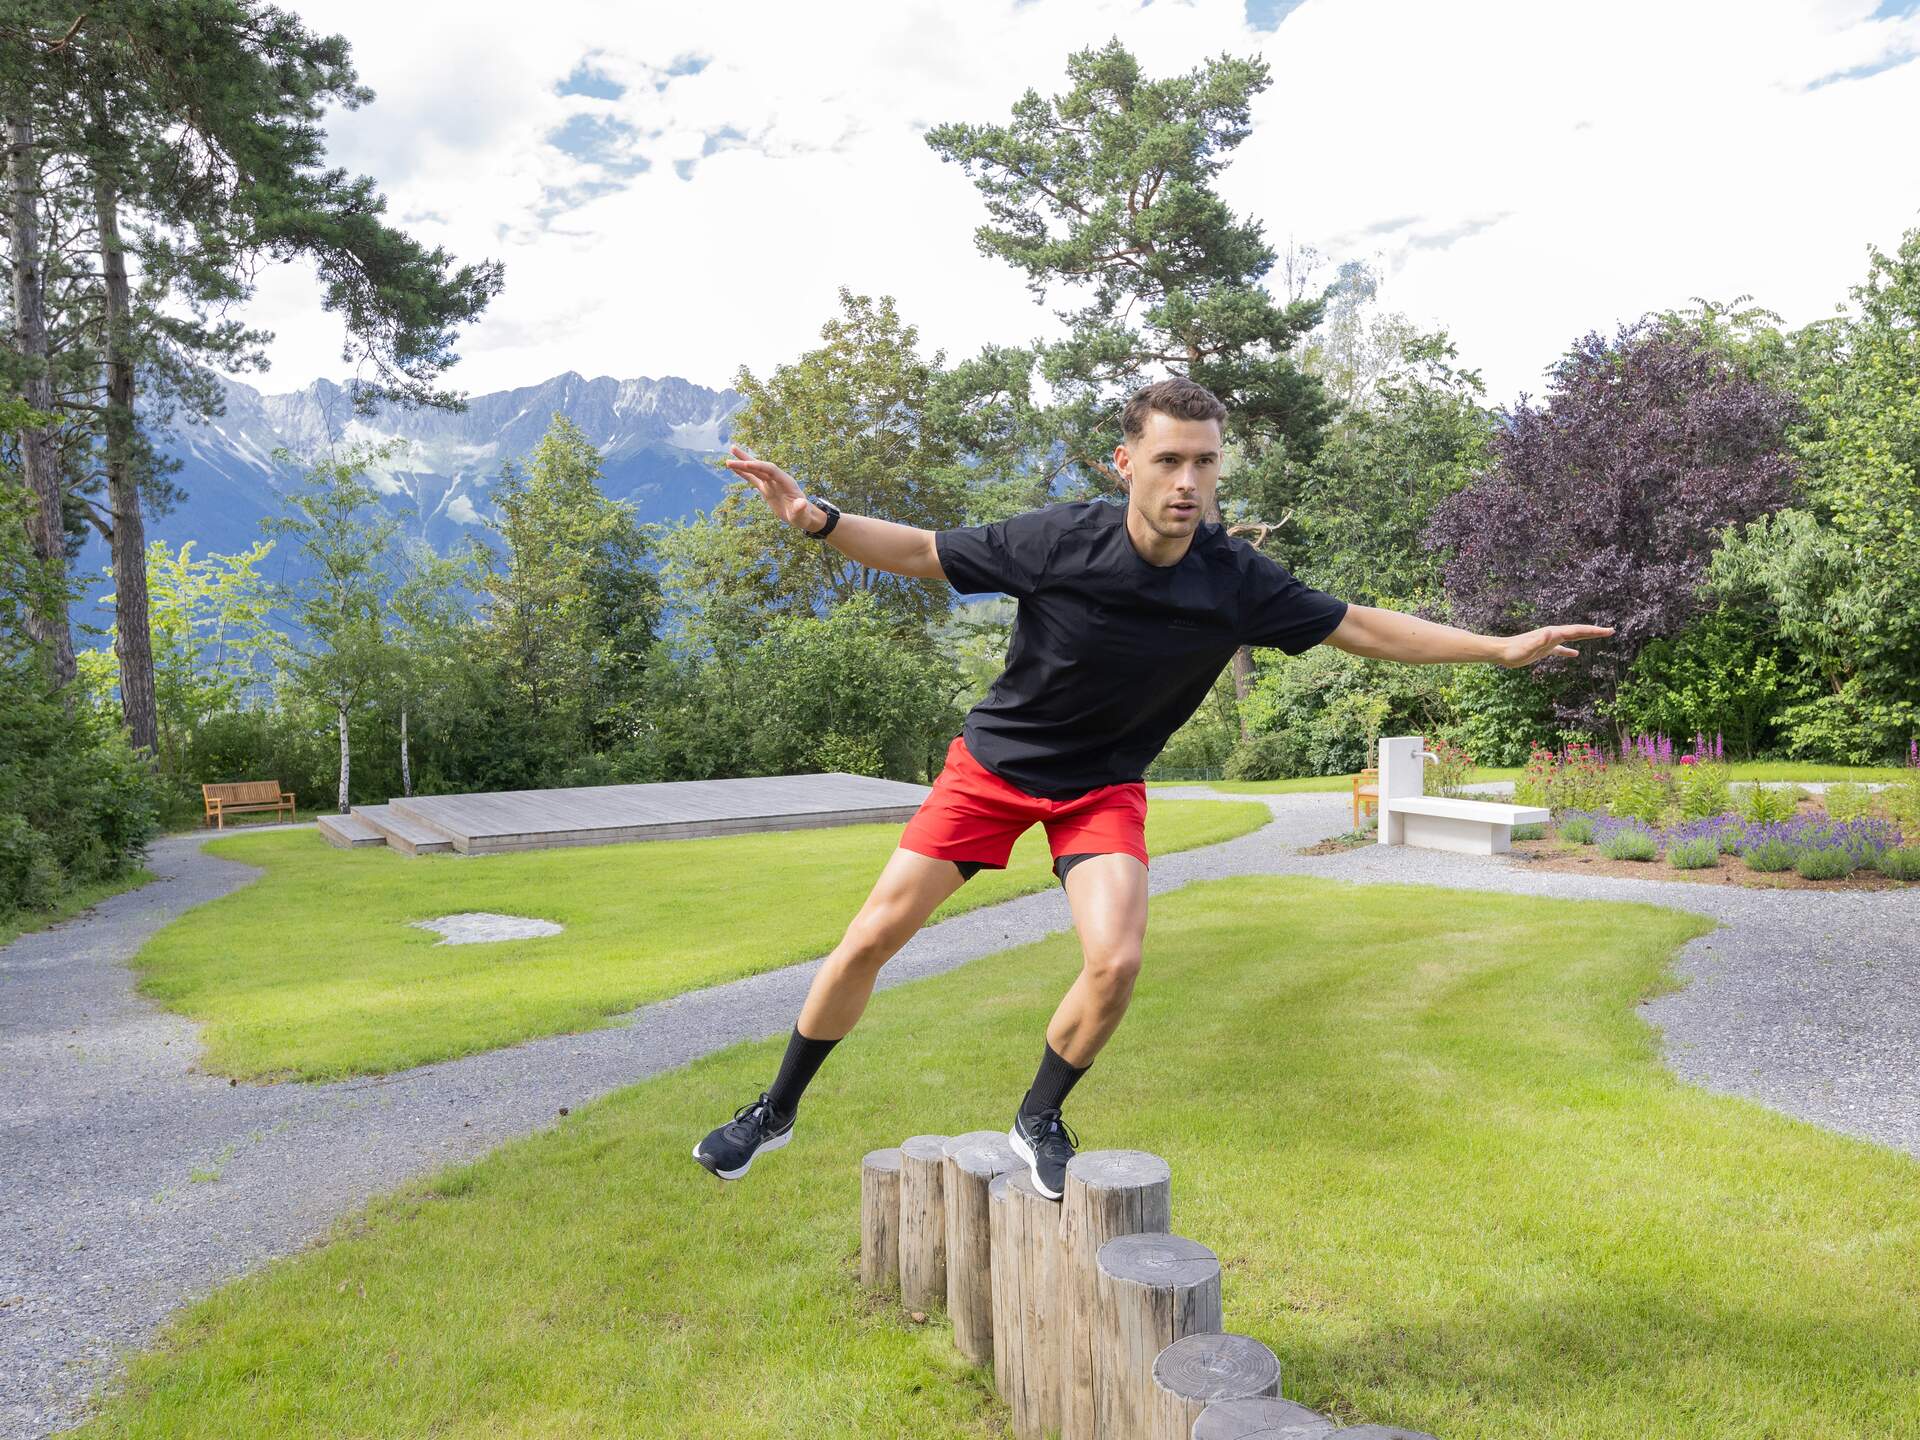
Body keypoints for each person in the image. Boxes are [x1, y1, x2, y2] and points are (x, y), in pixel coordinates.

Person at [693, 376, 1612, 1198]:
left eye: (1204, 463)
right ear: (1126, 462)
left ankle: (1038, 1117)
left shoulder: (1235, 580)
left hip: (1101, 789)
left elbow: (1361, 627)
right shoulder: (1060, 539)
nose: (1187, 482)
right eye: (1169, 460)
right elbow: (927, 552)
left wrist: (1497, 648)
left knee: (1117, 962)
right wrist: (817, 519)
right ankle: (775, 1109)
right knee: (870, 938)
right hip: (995, 770)